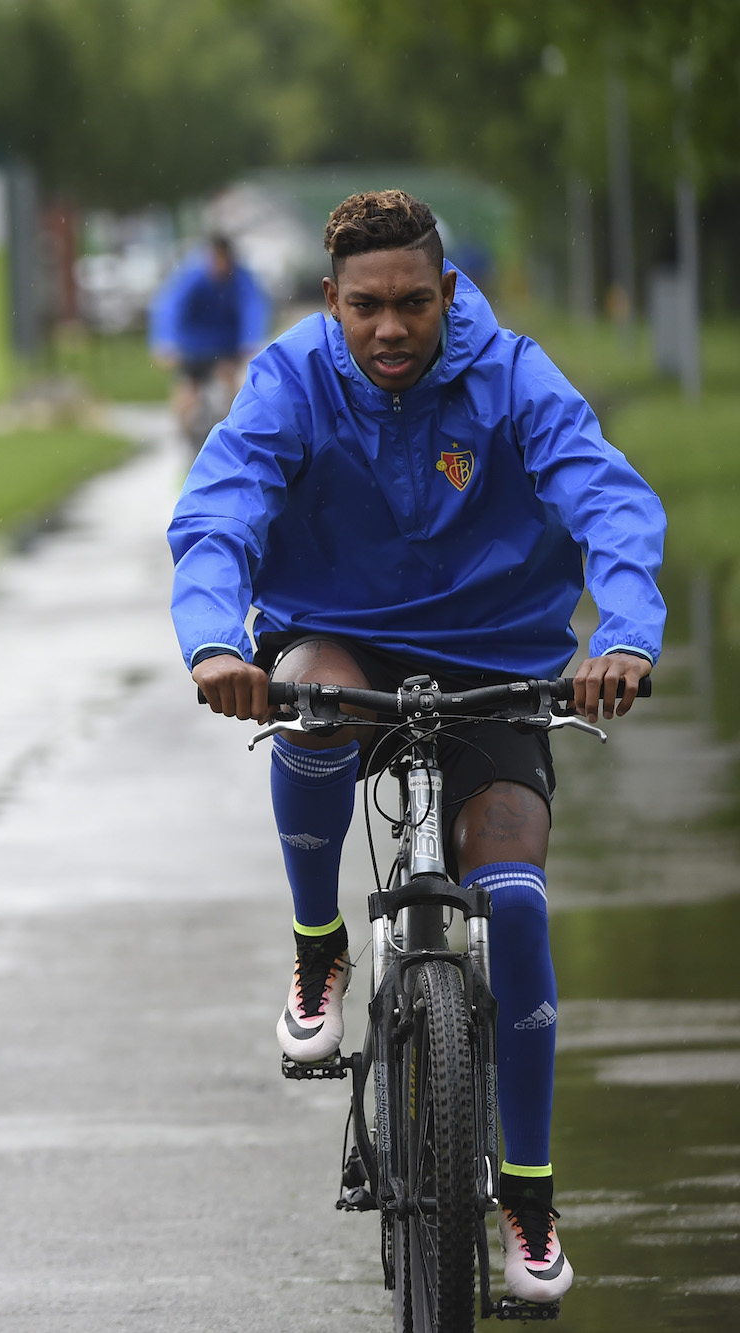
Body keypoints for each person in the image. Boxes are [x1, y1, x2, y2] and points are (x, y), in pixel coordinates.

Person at [169, 189, 664, 1307]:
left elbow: (607, 502)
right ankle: (315, 945)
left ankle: (527, 1200)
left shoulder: (510, 375)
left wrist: (622, 635)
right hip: (338, 640)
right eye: (361, 308)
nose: (387, 330)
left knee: (519, 902)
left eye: (408, 305)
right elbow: (219, 512)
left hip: (498, 657)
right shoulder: (290, 379)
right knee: (304, 699)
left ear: (445, 295)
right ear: (330, 303)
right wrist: (211, 642)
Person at [148, 234, 272, 445]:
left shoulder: (240, 278)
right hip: (192, 346)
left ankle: (234, 438)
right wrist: (166, 342)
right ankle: (185, 439)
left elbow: (253, 308)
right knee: (187, 392)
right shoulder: (193, 276)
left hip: (225, 346)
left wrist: (250, 342)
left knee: (231, 391)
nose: (219, 267)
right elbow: (170, 307)